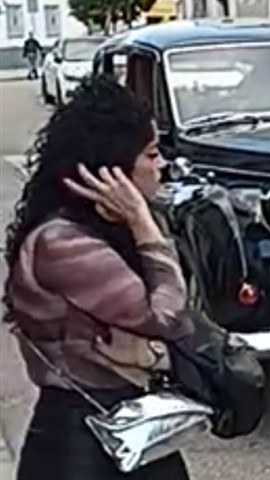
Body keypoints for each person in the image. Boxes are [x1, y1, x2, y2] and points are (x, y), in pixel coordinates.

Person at [3, 77, 194, 479]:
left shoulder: (99, 228)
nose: (161, 165)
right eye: (152, 154)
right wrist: (144, 223)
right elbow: (168, 318)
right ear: (114, 167)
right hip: (82, 443)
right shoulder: (63, 243)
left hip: (128, 425)